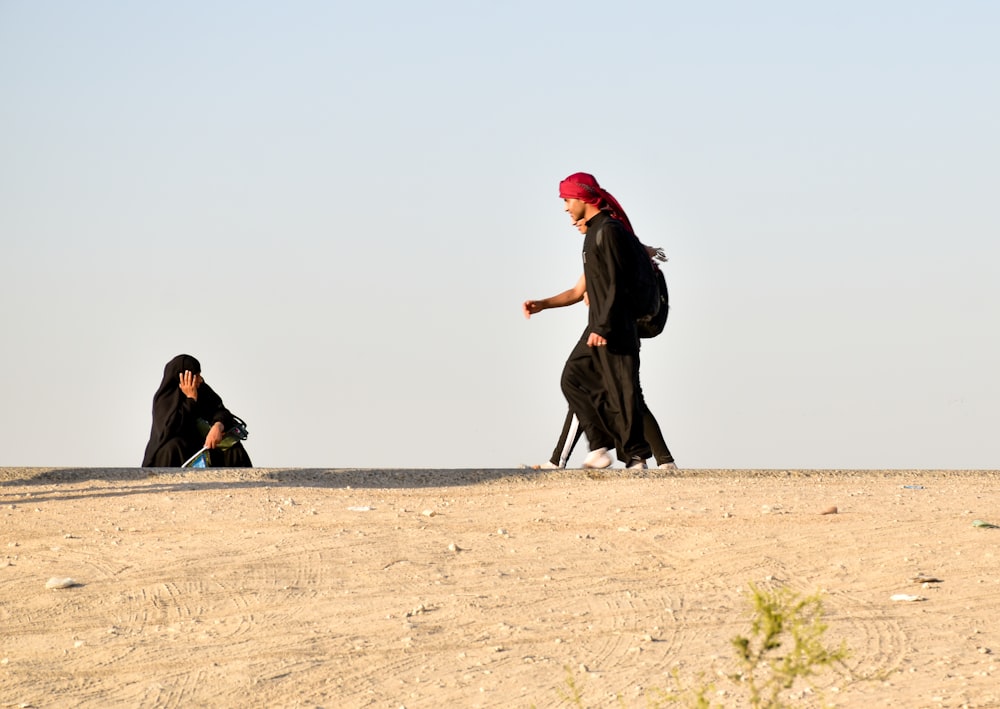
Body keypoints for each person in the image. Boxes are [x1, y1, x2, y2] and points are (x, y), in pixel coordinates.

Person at [524, 219, 677, 470]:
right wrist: (543, 304)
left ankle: (590, 451)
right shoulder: (596, 248)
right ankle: (661, 460)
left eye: (575, 208)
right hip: (606, 327)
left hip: (607, 328)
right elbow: (576, 291)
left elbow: (615, 283)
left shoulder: (608, 243)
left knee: (580, 381)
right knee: (620, 393)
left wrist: (602, 319)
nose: (572, 218)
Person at [554, 172, 656, 469]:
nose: (565, 208)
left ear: (583, 198)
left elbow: (614, 281)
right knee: (573, 377)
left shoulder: (608, 230)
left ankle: (636, 457)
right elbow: (593, 285)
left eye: (567, 200)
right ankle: (598, 445)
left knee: (623, 391)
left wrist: (603, 326)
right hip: (599, 325)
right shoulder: (595, 232)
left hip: (615, 326)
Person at [141, 354, 253, 467]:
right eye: (195, 376)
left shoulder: (203, 391)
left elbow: (222, 412)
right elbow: (169, 430)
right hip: (177, 451)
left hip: (201, 446)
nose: (200, 380)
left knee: (233, 449)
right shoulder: (164, 399)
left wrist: (218, 426)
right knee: (173, 447)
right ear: (183, 378)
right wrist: (191, 400)